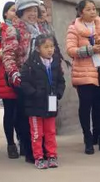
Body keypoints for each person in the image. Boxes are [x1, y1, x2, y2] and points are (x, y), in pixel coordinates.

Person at [2, 0, 61, 164]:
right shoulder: (14, 30)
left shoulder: (44, 29)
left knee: (49, 115)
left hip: (47, 79)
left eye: (34, 10)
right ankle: (31, 152)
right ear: (20, 12)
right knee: (27, 117)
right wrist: (15, 75)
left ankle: (48, 151)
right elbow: (8, 55)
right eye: (28, 10)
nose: (32, 14)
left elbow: (54, 51)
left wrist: (58, 72)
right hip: (27, 80)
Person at [66, 0, 100, 154]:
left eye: (94, 9)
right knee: (86, 106)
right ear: (81, 12)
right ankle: (88, 138)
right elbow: (71, 50)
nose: (92, 12)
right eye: (88, 9)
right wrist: (90, 49)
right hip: (84, 73)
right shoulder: (74, 28)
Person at [20, 34, 66, 169]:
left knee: (50, 131)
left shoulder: (55, 63)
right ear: (38, 48)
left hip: (51, 102)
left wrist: (58, 93)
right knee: (37, 133)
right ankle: (38, 157)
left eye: (52, 46)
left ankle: (52, 155)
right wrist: (34, 93)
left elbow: (61, 81)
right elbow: (24, 82)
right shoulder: (30, 64)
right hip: (35, 105)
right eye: (46, 47)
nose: (50, 49)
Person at [0, 1, 21, 159]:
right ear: (5, 13)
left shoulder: (23, 29)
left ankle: (23, 141)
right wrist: (6, 49)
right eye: (12, 10)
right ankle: (11, 144)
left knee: (22, 113)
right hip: (7, 76)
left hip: (23, 74)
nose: (15, 13)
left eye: (17, 10)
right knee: (10, 112)